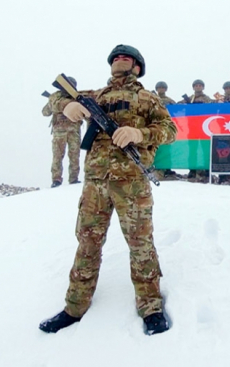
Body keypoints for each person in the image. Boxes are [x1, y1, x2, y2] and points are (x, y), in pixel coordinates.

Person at [39, 44, 177, 335]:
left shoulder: (147, 98)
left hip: (132, 183)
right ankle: (74, 307)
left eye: (126, 57)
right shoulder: (96, 96)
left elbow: (170, 130)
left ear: (137, 66)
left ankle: (150, 306)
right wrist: (67, 105)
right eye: (115, 57)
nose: (120, 59)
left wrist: (139, 133)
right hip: (96, 183)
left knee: (141, 244)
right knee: (87, 243)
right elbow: (51, 98)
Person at [42, 76, 82, 188]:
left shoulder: (74, 98)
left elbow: (45, 112)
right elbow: (45, 112)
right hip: (69, 131)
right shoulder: (57, 98)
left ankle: (60, 180)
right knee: (65, 156)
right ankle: (64, 179)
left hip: (68, 131)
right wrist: (52, 103)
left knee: (68, 156)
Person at [181, 79, 212, 182]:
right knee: (192, 151)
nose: (198, 87)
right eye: (196, 86)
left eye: (200, 85)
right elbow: (177, 106)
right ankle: (192, 170)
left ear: (203, 87)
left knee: (206, 150)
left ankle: (207, 170)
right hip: (192, 128)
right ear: (193, 87)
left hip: (203, 128)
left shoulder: (207, 99)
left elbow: (214, 106)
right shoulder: (190, 98)